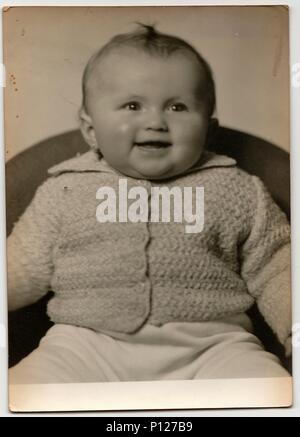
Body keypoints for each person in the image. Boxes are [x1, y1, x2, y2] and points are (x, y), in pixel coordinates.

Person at [7, 25, 291, 384]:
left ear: (209, 129)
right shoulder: (65, 190)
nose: (155, 122)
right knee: (25, 387)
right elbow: (21, 264)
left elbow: (278, 266)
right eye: (132, 105)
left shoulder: (237, 189)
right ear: (91, 130)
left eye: (177, 106)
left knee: (267, 386)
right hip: (85, 345)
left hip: (214, 346)